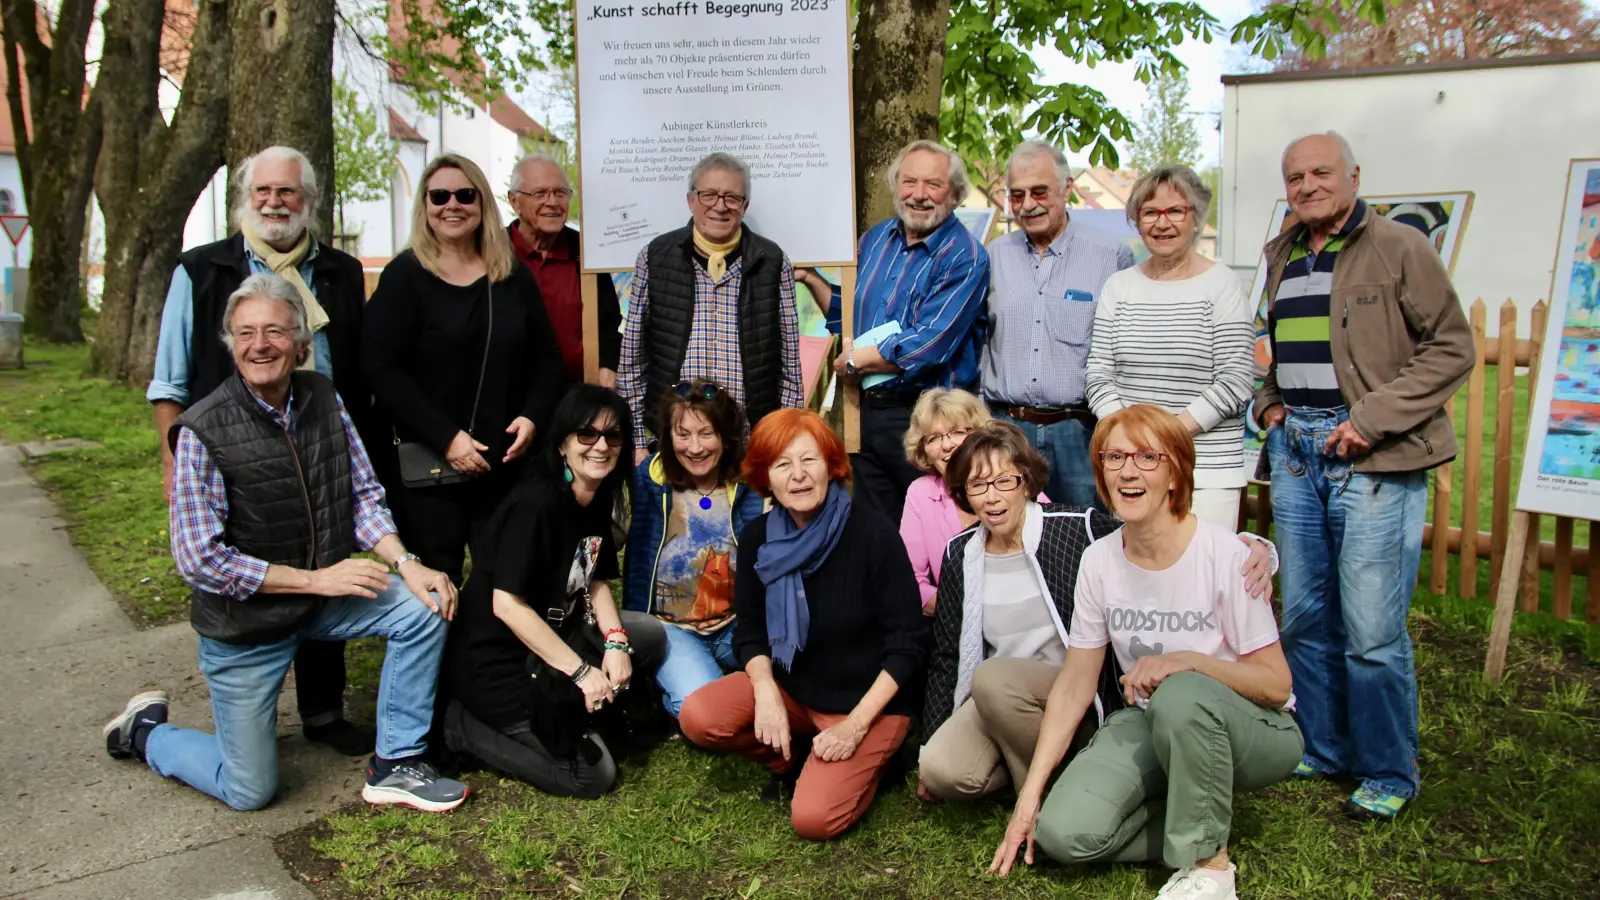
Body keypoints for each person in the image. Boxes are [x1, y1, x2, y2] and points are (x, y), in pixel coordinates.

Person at [104, 273, 467, 813]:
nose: (260, 345)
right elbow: (199, 558)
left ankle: (396, 763)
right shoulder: (201, 430)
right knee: (248, 790)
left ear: (300, 343)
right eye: (245, 333)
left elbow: (362, 495)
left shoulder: (322, 395)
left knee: (427, 603)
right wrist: (317, 580)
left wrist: (407, 563)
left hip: (317, 602)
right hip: (246, 626)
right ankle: (145, 734)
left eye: (274, 331)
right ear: (230, 345)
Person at [990, 405, 1301, 900]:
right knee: (1061, 836)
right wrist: (1030, 799)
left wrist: (1190, 661)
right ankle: (1195, 814)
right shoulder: (1099, 561)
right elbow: (1075, 684)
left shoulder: (1228, 555)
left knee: (1181, 694)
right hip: (1149, 721)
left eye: (1146, 458)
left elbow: (1276, 685)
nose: (1128, 471)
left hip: (1252, 728)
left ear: (1176, 473)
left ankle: (1211, 868)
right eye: (1113, 458)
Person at [1255, 132, 1473, 820]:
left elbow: (1452, 349)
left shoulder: (1400, 247)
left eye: (1321, 172)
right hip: (1296, 453)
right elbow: (1268, 343)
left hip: (1372, 455)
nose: (1307, 185)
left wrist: (1372, 418)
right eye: (1295, 176)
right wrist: (1269, 406)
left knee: (1373, 629)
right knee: (1305, 616)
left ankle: (1387, 769)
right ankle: (1322, 746)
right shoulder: (1282, 252)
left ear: (1354, 176)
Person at [146, 145, 373, 756]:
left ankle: (324, 711)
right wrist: (173, 461)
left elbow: (357, 365)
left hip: (319, 436)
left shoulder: (341, 272)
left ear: (309, 202)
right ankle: (248, 707)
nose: (275, 203)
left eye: (288, 193)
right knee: (254, 572)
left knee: (328, 562)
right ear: (246, 200)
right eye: (264, 192)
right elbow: (169, 381)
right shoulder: (200, 270)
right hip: (233, 446)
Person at [920, 422, 1278, 805]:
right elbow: (948, 655)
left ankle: (1043, 793)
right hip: (999, 699)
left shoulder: (1077, 528)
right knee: (941, 770)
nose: (991, 498)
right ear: (964, 493)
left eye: (1004, 481)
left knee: (992, 678)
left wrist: (1254, 548)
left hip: (1072, 689)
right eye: (977, 486)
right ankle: (1059, 775)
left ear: (1026, 482)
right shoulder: (960, 554)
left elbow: (1158, 533)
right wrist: (931, 734)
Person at [679, 409, 928, 841]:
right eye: (783, 464)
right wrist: (766, 692)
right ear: (765, 478)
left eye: (809, 460)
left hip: (869, 704)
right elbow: (751, 631)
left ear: (831, 465)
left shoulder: (873, 534)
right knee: (699, 716)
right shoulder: (759, 537)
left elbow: (908, 645)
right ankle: (790, 757)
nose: (798, 476)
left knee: (813, 820)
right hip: (796, 690)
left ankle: (879, 759)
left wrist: (855, 726)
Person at [439, 385, 666, 799]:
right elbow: (506, 604)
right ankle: (462, 728)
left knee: (647, 635)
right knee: (593, 776)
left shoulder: (594, 497)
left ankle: (578, 701)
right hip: (500, 664)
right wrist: (580, 671)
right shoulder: (536, 503)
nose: (601, 446)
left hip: (555, 637)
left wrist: (615, 643)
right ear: (562, 442)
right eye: (587, 434)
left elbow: (593, 579)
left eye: (612, 436)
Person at [363, 153, 565, 585]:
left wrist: (531, 416)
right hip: (429, 466)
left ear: (482, 204)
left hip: (503, 466)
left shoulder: (510, 274)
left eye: (464, 194)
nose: (452, 205)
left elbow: (547, 358)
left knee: (507, 584)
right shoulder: (404, 276)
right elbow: (380, 368)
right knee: (438, 587)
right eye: (439, 196)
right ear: (425, 206)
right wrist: (448, 438)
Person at [1086, 165, 1254, 528]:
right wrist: (1131, 438)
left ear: (1195, 218)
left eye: (1175, 211)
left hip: (1205, 471)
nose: (1163, 223)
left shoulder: (1222, 285)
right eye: (1150, 213)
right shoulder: (1119, 286)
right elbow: (1099, 372)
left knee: (1202, 579)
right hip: (1130, 468)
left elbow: (1237, 379)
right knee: (1137, 576)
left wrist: (1164, 436)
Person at [835, 140, 990, 524]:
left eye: (933, 185)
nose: (919, 195)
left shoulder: (966, 255)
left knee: (939, 530)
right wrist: (809, 279)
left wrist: (856, 360)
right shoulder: (873, 240)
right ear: (896, 186)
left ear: (954, 194)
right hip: (866, 412)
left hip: (930, 421)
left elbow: (930, 344)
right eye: (909, 182)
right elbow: (846, 314)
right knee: (877, 535)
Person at [619, 152, 803, 461]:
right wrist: (637, 440)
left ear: (744, 206)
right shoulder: (654, 257)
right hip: (671, 443)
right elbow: (631, 359)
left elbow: (790, 368)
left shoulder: (773, 262)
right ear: (691, 199)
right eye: (709, 195)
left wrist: (782, 441)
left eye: (732, 197)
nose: (720, 206)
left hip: (749, 444)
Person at [981, 140, 1135, 509]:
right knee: (1010, 539)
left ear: (1067, 189)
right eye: (1016, 195)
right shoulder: (993, 257)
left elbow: (1125, 348)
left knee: (1086, 537)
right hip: (1007, 428)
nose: (1027, 204)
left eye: (1039, 191)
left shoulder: (1111, 254)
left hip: (1079, 433)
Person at [622, 379, 764, 717]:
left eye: (706, 434)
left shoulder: (749, 487)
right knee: (706, 711)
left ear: (726, 437)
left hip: (735, 625)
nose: (695, 447)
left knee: (792, 671)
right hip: (672, 629)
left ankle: (721, 679)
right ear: (669, 437)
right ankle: (682, 682)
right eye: (683, 434)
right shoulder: (648, 481)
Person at [506, 153, 621, 388]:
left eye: (560, 193)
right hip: (510, 396)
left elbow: (608, 321)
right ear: (514, 201)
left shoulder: (585, 251)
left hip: (574, 395)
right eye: (540, 193)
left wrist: (607, 365)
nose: (553, 202)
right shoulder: (493, 253)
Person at [898, 388, 996, 614]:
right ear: (924, 450)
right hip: (952, 624)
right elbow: (908, 577)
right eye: (934, 438)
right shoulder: (921, 493)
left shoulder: (1007, 480)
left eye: (957, 432)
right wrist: (959, 613)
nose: (947, 445)